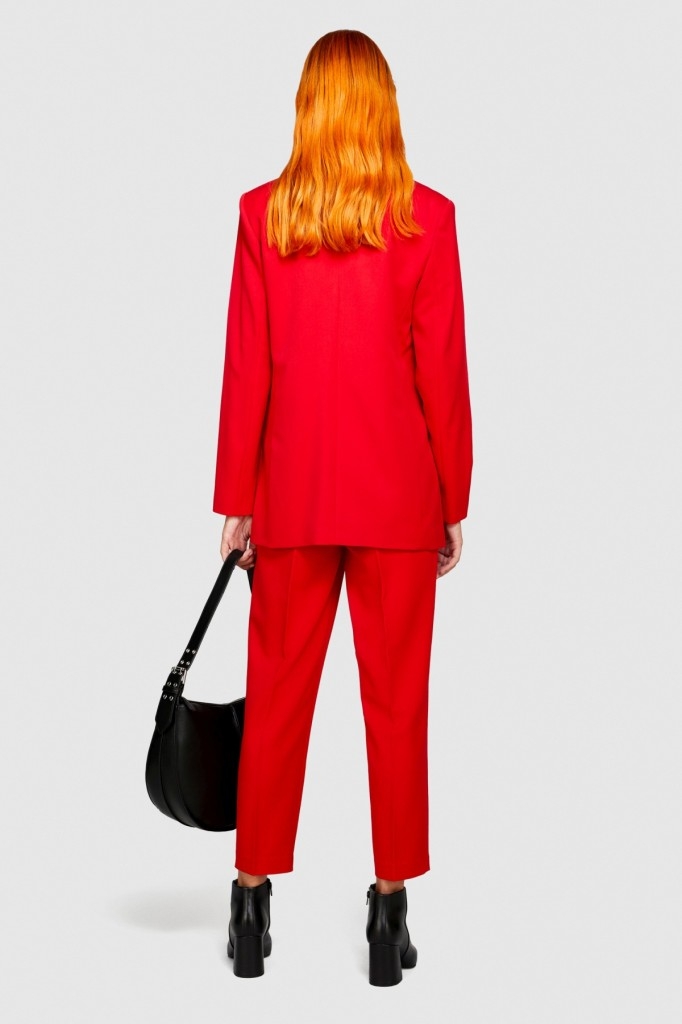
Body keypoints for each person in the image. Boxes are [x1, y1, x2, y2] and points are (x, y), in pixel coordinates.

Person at [213, 29, 473, 984]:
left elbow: (247, 365)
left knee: (277, 697)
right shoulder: (427, 219)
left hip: (291, 493)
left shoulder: (264, 216)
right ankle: (388, 915)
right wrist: (454, 494)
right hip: (399, 495)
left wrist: (236, 496)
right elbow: (441, 368)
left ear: (308, 106)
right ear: (382, 107)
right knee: (397, 704)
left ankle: (249, 904)